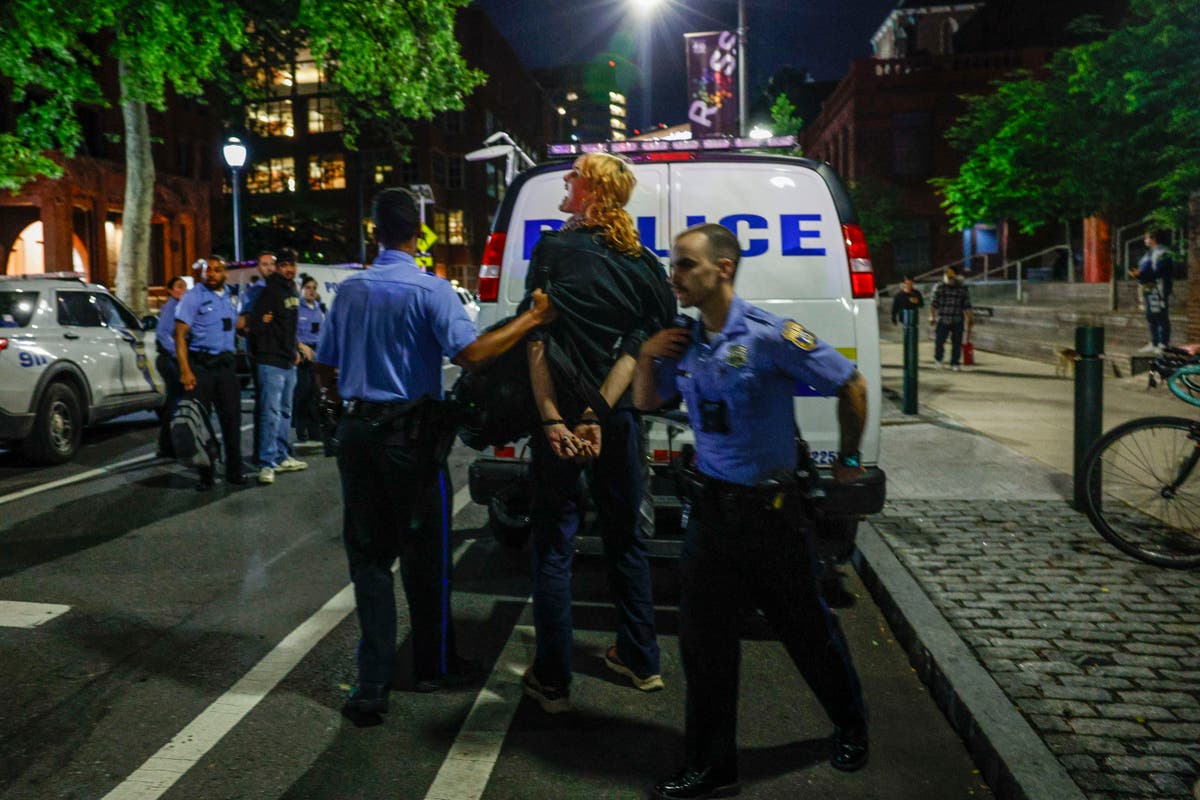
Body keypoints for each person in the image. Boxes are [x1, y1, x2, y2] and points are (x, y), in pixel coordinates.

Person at [633, 223, 869, 800]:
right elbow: (644, 401)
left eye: (686, 265)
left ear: (725, 267)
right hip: (710, 514)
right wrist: (644, 355)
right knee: (703, 645)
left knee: (807, 632)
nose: (675, 277)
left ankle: (851, 724)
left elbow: (852, 383)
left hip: (770, 516)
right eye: (674, 266)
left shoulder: (770, 334)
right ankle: (714, 766)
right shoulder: (683, 341)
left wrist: (848, 459)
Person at [313, 187, 557, 725]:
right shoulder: (432, 291)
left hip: (358, 436)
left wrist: (339, 400)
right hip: (410, 441)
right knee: (426, 561)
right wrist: (531, 321)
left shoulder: (349, 292)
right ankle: (432, 665)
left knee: (370, 561)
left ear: (374, 231)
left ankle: (372, 684)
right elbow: (471, 355)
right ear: (417, 232)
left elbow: (324, 365)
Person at [520, 152, 676, 714]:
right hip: (617, 420)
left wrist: (556, 419)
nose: (564, 179)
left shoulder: (554, 250)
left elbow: (535, 339)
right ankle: (641, 659)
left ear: (590, 189)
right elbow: (647, 341)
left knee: (555, 545)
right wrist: (600, 413)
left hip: (559, 418)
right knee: (626, 540)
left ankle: (554, 679)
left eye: (573, 174)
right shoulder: (642, 263)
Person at [175, 256, 247, 489]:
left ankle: (235, 472)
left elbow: (236, 323)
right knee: (202, 424)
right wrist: (185, 370)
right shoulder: (193, 296)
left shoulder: (232, 296)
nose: (212, 274)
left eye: (217, 270)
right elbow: (180, 335)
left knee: (232, 420)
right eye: (209, 271)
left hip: (226, 367)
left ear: (225, 273)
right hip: (202, 366)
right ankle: (206, 475)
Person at [247, 247, 307, 484]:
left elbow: (289, 327)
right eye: (284, 265)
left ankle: (281, 456)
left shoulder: (292, 289)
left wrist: (294, 350)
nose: (289, 269)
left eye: (292, 265)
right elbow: (255, 326)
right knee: (270, 413)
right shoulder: (268, 291)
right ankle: (266, 462)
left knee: (284, 412)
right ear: (278, 267)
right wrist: (263, 322)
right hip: (270, 361)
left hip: (287, 360)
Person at [240, 251, 277, 464]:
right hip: (260, 353)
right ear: (258, 268)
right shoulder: (255, 292)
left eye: (272, 264)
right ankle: (261, 453)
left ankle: (272, 450)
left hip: (277, 352)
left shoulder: (280, 289)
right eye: (264, 265)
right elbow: (244, 322)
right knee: (265, 405)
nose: (269, 268)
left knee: (275, 407)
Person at [155, 276, 188, 458]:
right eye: (179, 286)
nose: (183, 290)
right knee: (176, 400)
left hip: (173, 359)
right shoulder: (171, 307)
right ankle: (168, 445)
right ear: (170, 291)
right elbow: (163, 334)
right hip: (170, 360)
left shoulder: (181, 306)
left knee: (175, 400)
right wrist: (178, 354)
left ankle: (168, 444)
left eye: (185, 286)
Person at [292, 274, 325, 449]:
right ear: (302, 289)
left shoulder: (319, 308)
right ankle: (301, 430)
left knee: (315, 396)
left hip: (316, 355)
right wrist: (301, 348)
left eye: (314, 288)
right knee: (302, 394)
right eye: (308, 288)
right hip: (302, 355)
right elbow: (292, 332)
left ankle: (315, 431)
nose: (312, 291)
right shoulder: (297, 308)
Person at [1131, 230, 1174, 352]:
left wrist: (1142, 274)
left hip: (1158, 288)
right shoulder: (1149, 253)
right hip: (1148, 287)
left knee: (1160, 314)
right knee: (1150, 315)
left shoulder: (1163, 253)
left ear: (1153, 239)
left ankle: (1163, 343)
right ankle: (1154, 341)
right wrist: (1139, 274)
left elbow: (1160, 271)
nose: (1145, 240)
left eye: (1146, 238)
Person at [929, 266, 973, 371]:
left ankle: (955, 362)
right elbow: (934, 303)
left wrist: (970, 318)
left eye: (951, 275)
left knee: (957, 343)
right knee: (939, 341)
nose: (949, 277)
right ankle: (938, 360)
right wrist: (932, 316)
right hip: (943, 319)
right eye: (947, 274)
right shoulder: (939, 287)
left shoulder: (962, 288)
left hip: (957, 319)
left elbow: (966, 305)